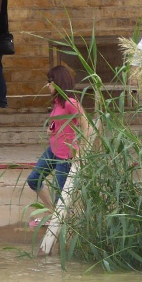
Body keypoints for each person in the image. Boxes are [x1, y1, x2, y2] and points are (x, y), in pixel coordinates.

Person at [26, 65, 86, 224]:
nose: (48, 85)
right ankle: (53, 213)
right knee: (34, 179)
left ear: (59, 82)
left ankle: (64, 226)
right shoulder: (58, 102)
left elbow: (86, 125)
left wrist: (82, 150)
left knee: (62, 196)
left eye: (50, 81)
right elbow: (60, 123)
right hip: (53, 150)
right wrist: (51, 129)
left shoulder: (69, 102)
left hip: (65, 156)